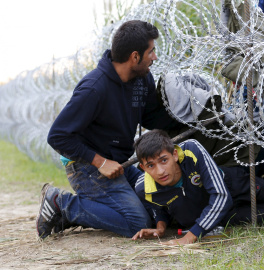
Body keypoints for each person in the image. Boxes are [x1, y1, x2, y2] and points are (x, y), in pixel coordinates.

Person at [37, 20, 177, 239]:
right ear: (135, 57)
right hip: (86, 167)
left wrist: (193, 122)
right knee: (137, 223)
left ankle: (77, 213)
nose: (155, 57)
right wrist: (100, 162)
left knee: (158, 205)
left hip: (120, 164)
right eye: (151, 51)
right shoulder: (94, 88)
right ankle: (62, 204)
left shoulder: (142, 80)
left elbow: (152, 117)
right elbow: (57, 136)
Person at [131, 129, 264, 245]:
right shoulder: (143, 188)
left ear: (174, 155)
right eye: (150, 165)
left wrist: (190, 236)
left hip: (236, 187)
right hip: (225, 216)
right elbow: (160, 207)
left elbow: (221, 196)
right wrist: (160, 227)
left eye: (163, 160)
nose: (160, 171)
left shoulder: (191, 150)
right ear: (143, 168)